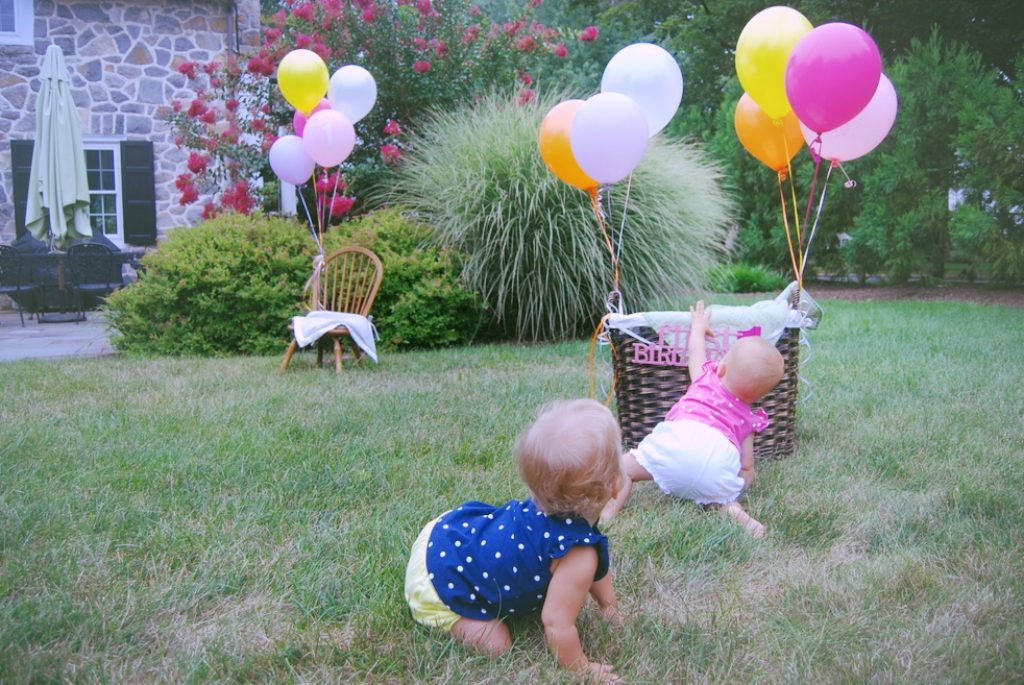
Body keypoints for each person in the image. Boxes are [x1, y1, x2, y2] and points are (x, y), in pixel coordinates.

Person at [405, 399, 625, 683]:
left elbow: (597, 568)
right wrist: (581, 669)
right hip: (439, 581)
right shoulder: (577, 555)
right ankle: (445, 615)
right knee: (498, 645)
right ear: (615, 485)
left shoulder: (557, 516)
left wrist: (608, 605)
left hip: (446, 534)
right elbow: (557, 623)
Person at [600, 300, 785, 537]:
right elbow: (747, 465)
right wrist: (740, 482)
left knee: (624, 468)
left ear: (722, 368)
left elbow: (696, 351)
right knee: (722, 500)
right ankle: (742, 518)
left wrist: (698, 326)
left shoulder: (707, 377)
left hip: (675, 443)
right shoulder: (748, 420)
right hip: (714, 464)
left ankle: (608, 512)